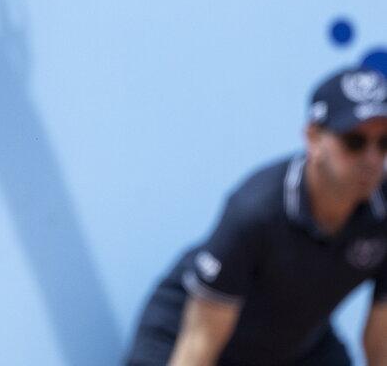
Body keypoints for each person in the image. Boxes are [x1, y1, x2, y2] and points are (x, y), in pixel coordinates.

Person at [126, 66, 387, 366]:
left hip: (297, 345)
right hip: (189, 333)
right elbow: (200, 343)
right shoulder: (257, 212)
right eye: (354, 142)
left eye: (384, 143)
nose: (372, 159)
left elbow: (381, 343)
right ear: (313, 138)